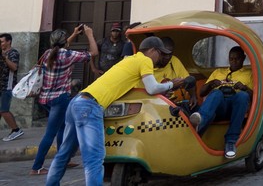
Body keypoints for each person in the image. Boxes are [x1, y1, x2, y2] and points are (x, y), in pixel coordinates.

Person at [45, 36, 186, 186]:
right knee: (95, 158)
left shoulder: (129, 60)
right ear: (152, 51)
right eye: (160, 53)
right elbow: (152, 88)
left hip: (77, 101)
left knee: (64, 153)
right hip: (90, 106)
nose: (161, 58)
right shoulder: (145, 61)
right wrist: (172, 84)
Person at [29, 25, 98, 175]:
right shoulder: (68, 55)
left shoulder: (47, 53)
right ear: (64, 42)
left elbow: (61, 45)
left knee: (61, 128)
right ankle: (36, 167)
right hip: (60, 99)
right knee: (51, 133)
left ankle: (63, 159)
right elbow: (93, 53)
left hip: (44, 98)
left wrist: (73, 34)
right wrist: (90, 35)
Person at [191, 46, 253, 159]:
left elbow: (254, 96)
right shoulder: (218, 72)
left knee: (243, 96)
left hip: (235, 108)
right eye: (231, 59)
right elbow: (201, 93)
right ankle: (200, 123)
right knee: (216, 93)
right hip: (219, 106)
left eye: (237, 59)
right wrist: (211, 84)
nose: (234, 62)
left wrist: (244, 87)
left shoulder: (249, 74)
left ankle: (230, 142)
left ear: (243, 58)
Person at [0, 33, 23, 142]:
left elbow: (14, 67)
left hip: (7, 85)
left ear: (8, 41)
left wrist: (5, 58)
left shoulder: (13, 53)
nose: (1, 44)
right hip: (1, 85)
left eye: (2, 42)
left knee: (4, 110)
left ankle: (16, 130)